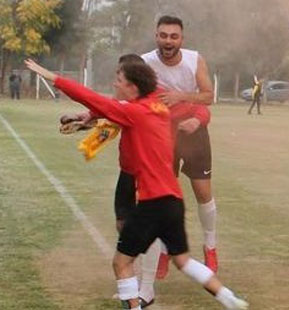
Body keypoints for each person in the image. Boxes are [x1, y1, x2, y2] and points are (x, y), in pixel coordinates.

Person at [25, 58, 248, 310]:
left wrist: (52, 77)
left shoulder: (134, 113)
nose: (114, 83)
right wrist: (89, 119)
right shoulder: (158, 107)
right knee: (183, 261)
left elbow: (92, 98)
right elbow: (111, 106)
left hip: (152, 203)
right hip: (173, 202)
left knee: (121, 263)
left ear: (132, 87)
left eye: (119, 80)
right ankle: (227, 297)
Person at [139, 16, 221, 285]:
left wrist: (181, 98)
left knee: (202, 192)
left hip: (193, 130)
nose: (168, 41)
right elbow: (129, 97)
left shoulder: (194, 60)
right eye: (163, 35)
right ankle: (164, 250)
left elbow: (209, 95)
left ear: (181, 39)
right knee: (164, 196)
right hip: (161, 134)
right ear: (156, 36)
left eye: (173, 36)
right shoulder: (145, 62)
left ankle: (210, 246)